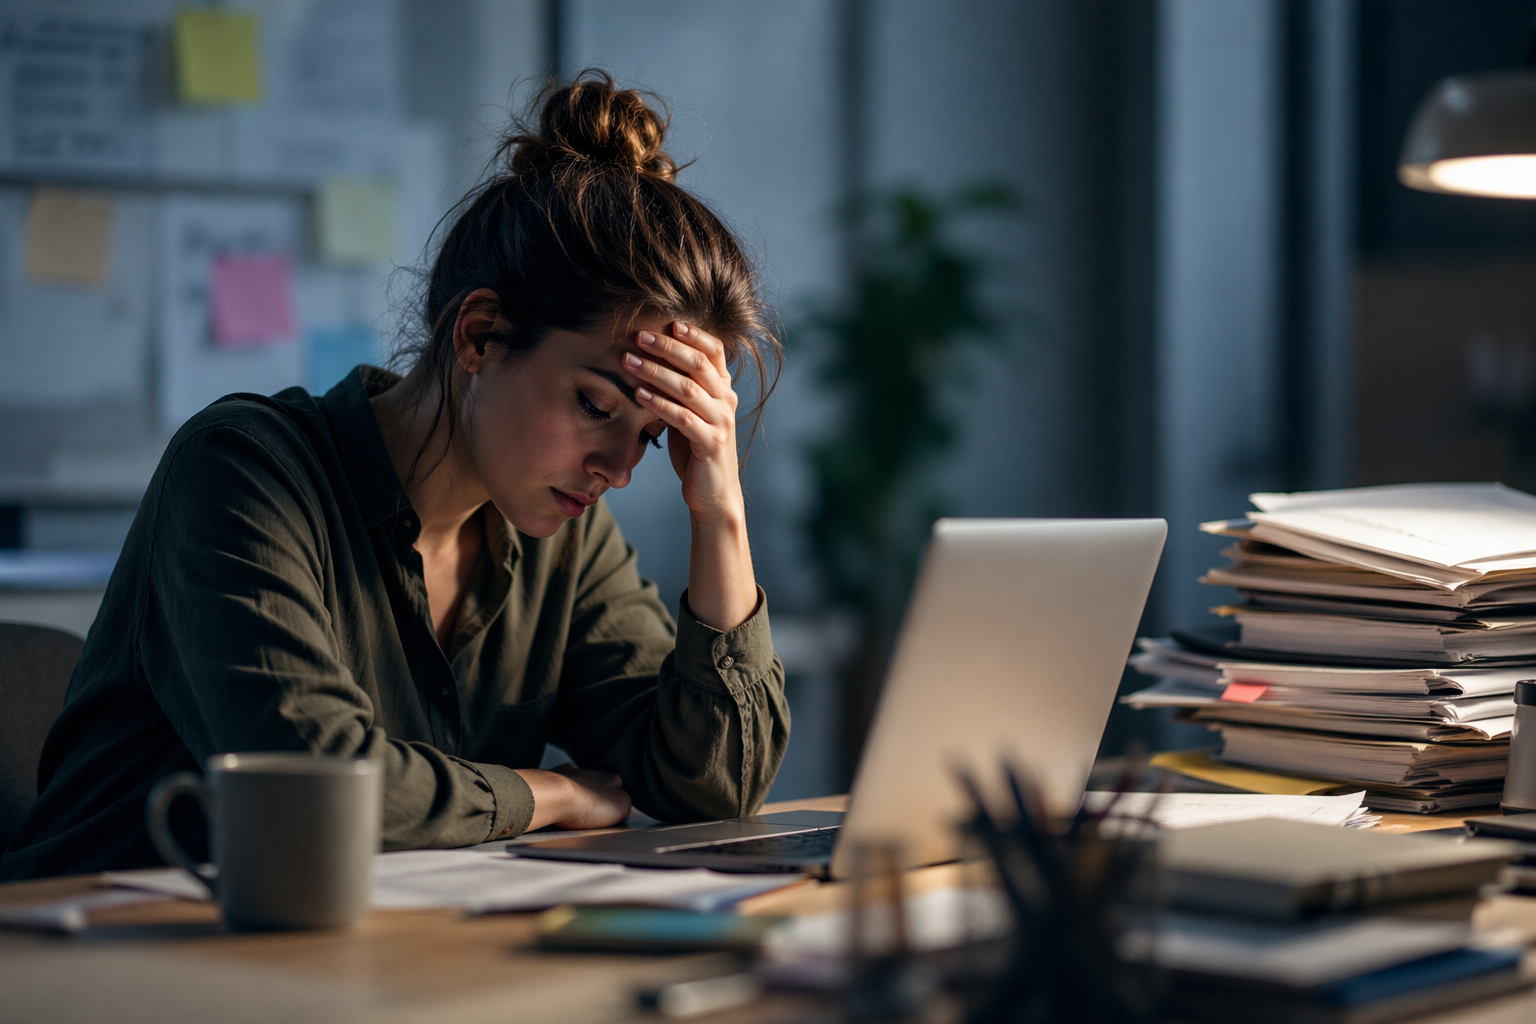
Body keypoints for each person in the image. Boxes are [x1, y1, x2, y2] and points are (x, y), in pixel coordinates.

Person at [0, 72, 790, 880]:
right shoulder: (241, 472)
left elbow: (714, 788)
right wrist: (543, 794)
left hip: (345, 961)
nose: (619, 470)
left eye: (654, 438)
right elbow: (319, 786)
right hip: (98, 949)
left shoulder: (565, 537)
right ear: (479, 336)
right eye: (595, 405)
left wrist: (719, 512)